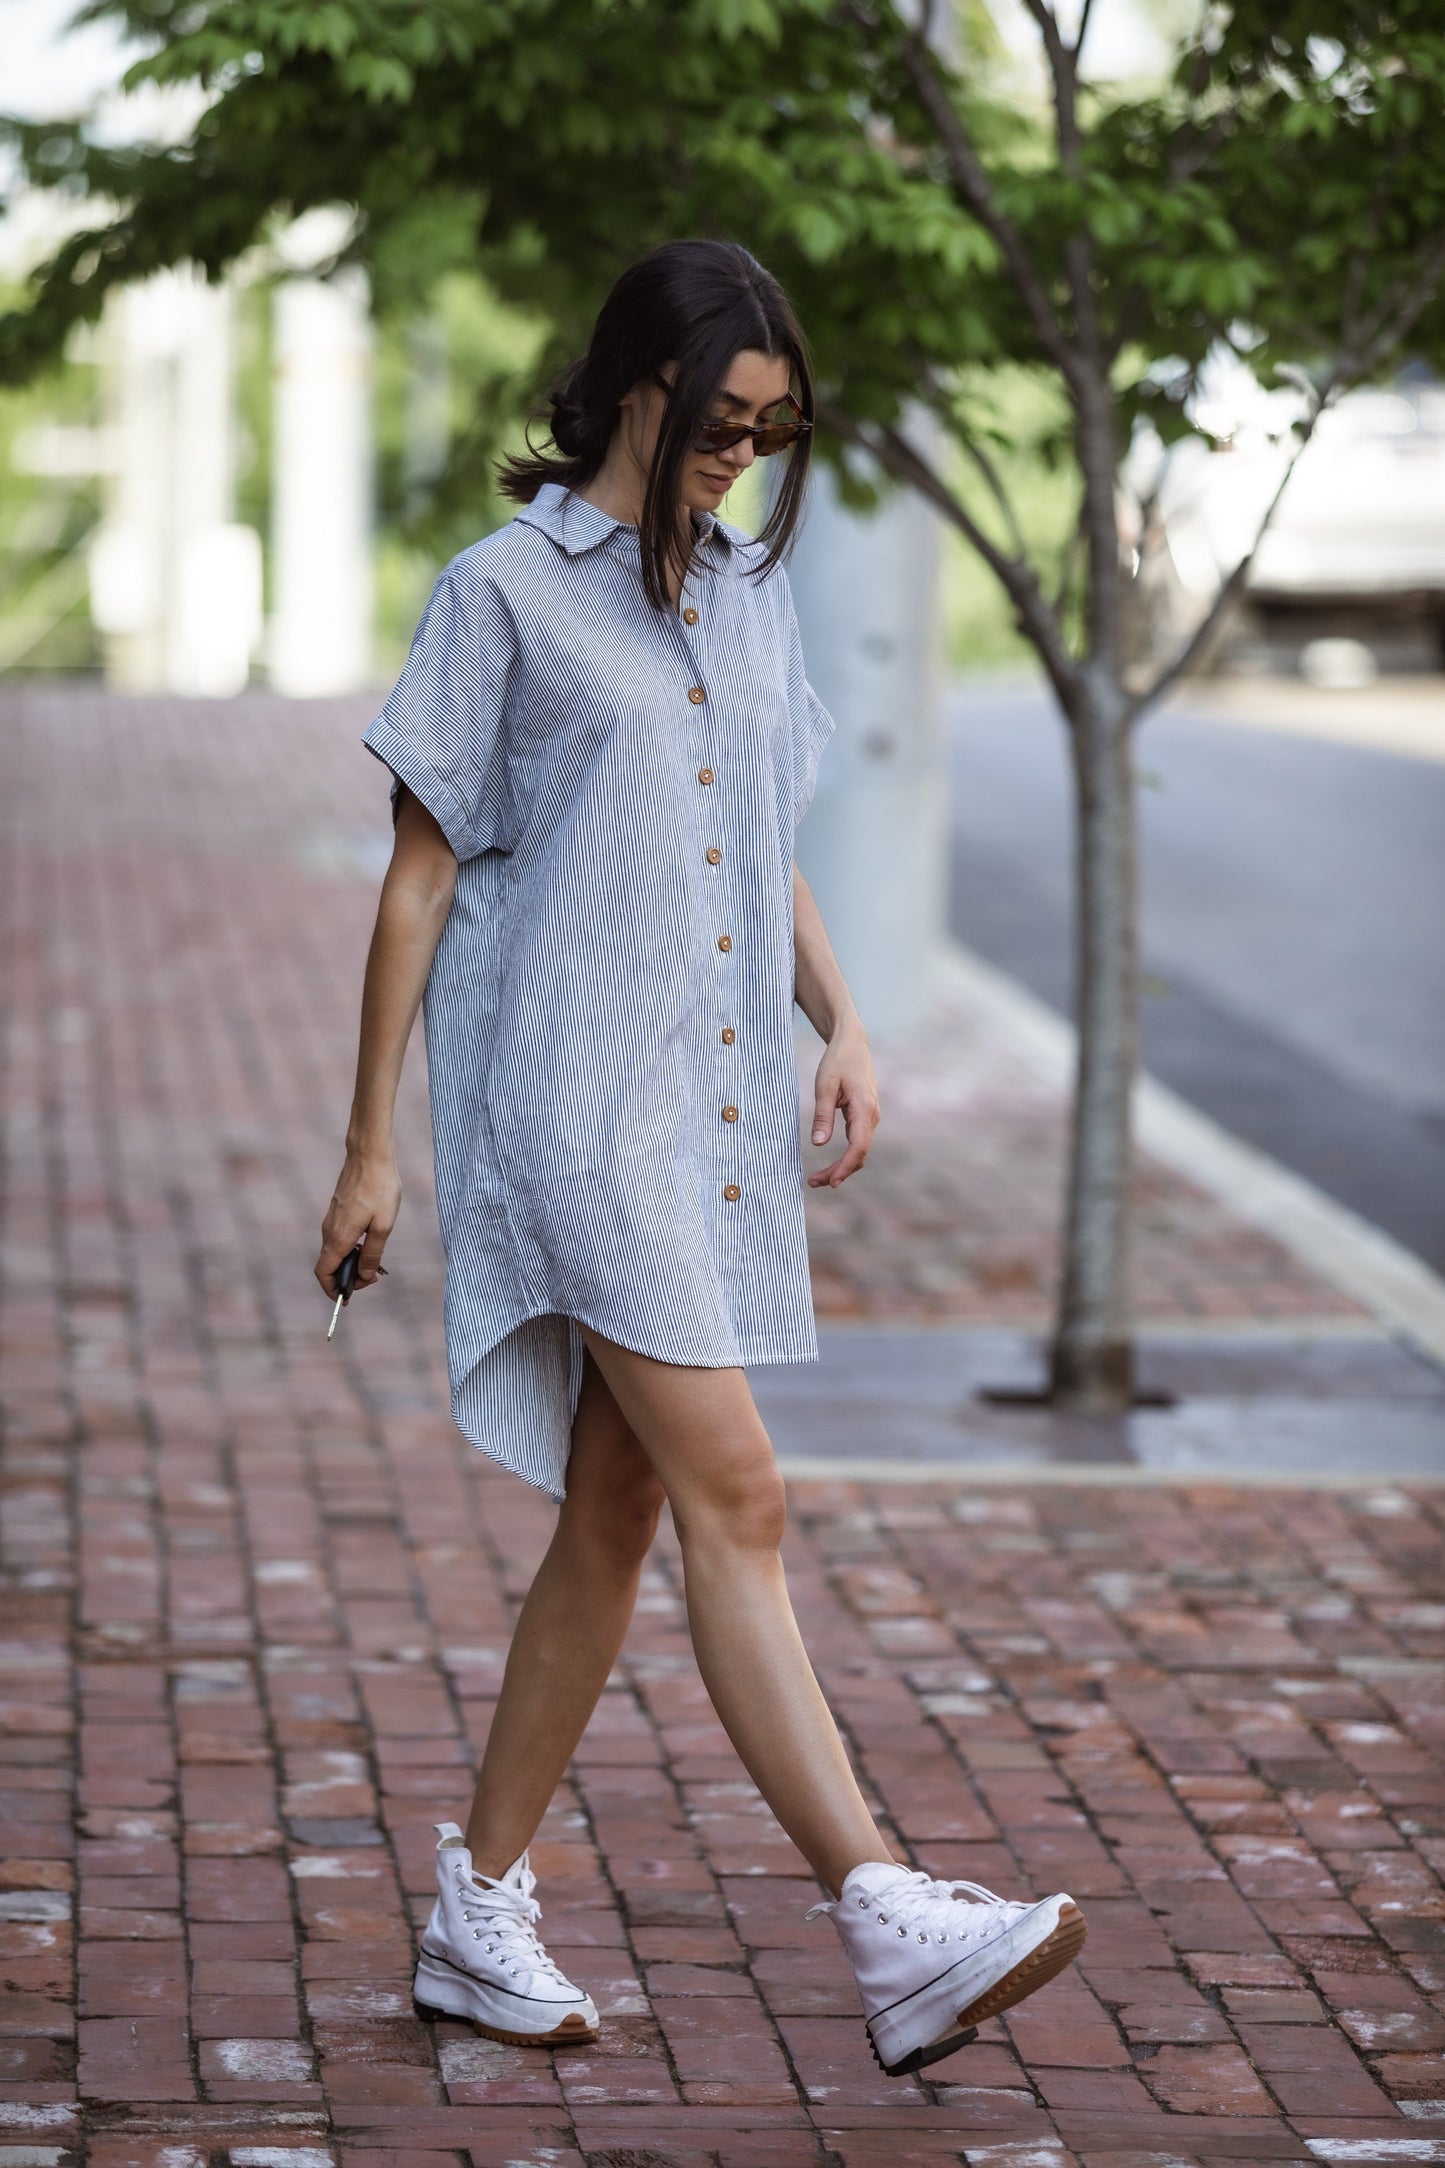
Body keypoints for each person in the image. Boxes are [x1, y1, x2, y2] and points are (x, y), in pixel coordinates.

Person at [314, 239, 1085, 2079]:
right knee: (740, 1496)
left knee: (624, 1508)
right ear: (637, 388)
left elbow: (764, 824)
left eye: (775, 427)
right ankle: (885, 1909)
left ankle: (475, 1910)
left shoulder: (746, 595)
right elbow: (420, 874)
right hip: (573, 1119)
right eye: (722, 419)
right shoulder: (501, 597)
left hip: (707, 1114)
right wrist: (368, 1149)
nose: (745, 452)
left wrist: (847, 1016)